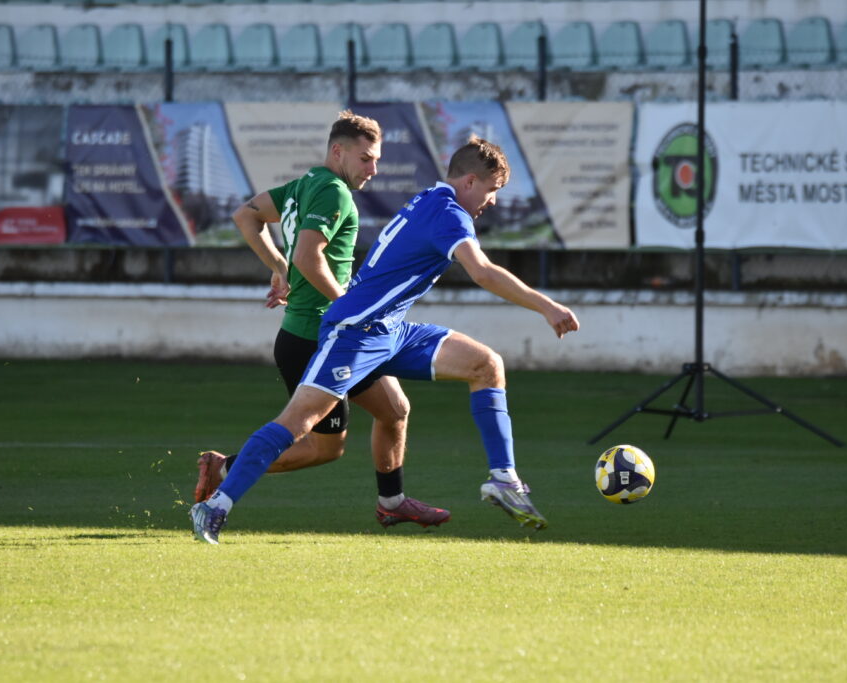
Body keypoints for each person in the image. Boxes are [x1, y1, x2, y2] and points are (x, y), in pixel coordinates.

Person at [191, 135, 580, 544]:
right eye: (492, 189)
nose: (493, 201)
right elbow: (481, 272)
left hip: (390, 330)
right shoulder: (449, 213)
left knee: (484, 366)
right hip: (355, 331)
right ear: (469, 181)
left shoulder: (432, 198)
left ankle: (499, 479)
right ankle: (214, 506)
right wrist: (547, 306)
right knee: (298, 423)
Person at [194, 110, 450, 529]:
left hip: (333, 334)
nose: (373, 170)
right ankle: (223, 471)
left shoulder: (305, 184)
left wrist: (278, 268)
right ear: (338, 152)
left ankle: (392, 501)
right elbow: (308, 257)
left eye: (376, 160)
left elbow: (246, 215)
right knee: (322, 448)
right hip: (316, 337)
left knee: (395, 409)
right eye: (365, 159)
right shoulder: (334, 193)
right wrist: (346, 303)